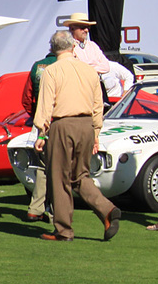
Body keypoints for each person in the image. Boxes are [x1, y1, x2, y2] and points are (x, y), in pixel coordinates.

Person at [32, 30, 122, 242]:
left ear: (53, 49)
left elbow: (45, 106)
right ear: (73, 47)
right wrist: (96, 131)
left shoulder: (51, 71)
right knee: (80, 176)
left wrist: (41, 134)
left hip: (63, 125)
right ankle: (107, 209)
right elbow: (98, 105)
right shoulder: (90, 71)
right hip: (87, 125)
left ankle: (63, 230)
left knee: (59, 177)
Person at [21, 42, 59, 222]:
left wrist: (37, 115)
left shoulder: (38, 66)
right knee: (60, 168)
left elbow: (27, 98)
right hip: (61, 122)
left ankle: (35, 208)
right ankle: (54, 211)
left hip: (41, 123)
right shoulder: (67, 66)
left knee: (43, 167)